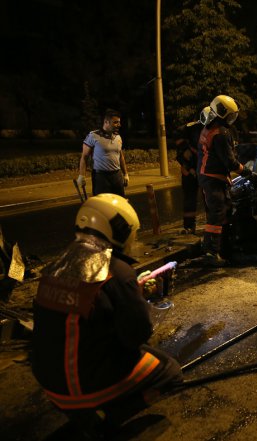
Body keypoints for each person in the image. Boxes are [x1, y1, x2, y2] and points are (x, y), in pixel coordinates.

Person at [31, 193, 183, 436]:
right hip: (79, 387)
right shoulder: (116, 271)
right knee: (171, 372)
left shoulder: (56, 265)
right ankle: (107, 418)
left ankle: (88, 410)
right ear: (120, 231)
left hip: (49, 385)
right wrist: (139, 300)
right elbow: (136, 335)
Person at [197, 95, 250, 266]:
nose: (232, 119)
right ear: (222, 113)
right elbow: (229, 161)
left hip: (209, 176)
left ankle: (223, 247)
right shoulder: (221, 133)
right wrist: (247, 171)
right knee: (217, 215)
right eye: (230, 115)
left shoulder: (209, 127)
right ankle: (211, 253)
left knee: (224, 211)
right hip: (213, 178)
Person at [77, 109, 129, 197]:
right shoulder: (93, 136)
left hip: (117, 175)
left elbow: (121, 156)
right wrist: (82, 175)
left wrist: (125, 174)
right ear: (106, 122)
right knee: (103, 204)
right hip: (101, 177)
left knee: (120, 202)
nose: (119, 125)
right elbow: (84, 157)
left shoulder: (118, 137)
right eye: (116, 122)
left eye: (119, 122)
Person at [175, 106, 209, 234]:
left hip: (195, 170)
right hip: (193, 170)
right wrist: (189, 168)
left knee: (202, 199)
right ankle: (190, 226)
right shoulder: (189, 130)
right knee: (196, 199)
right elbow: (183, 153)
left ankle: (190, 226)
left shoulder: (188, 130)